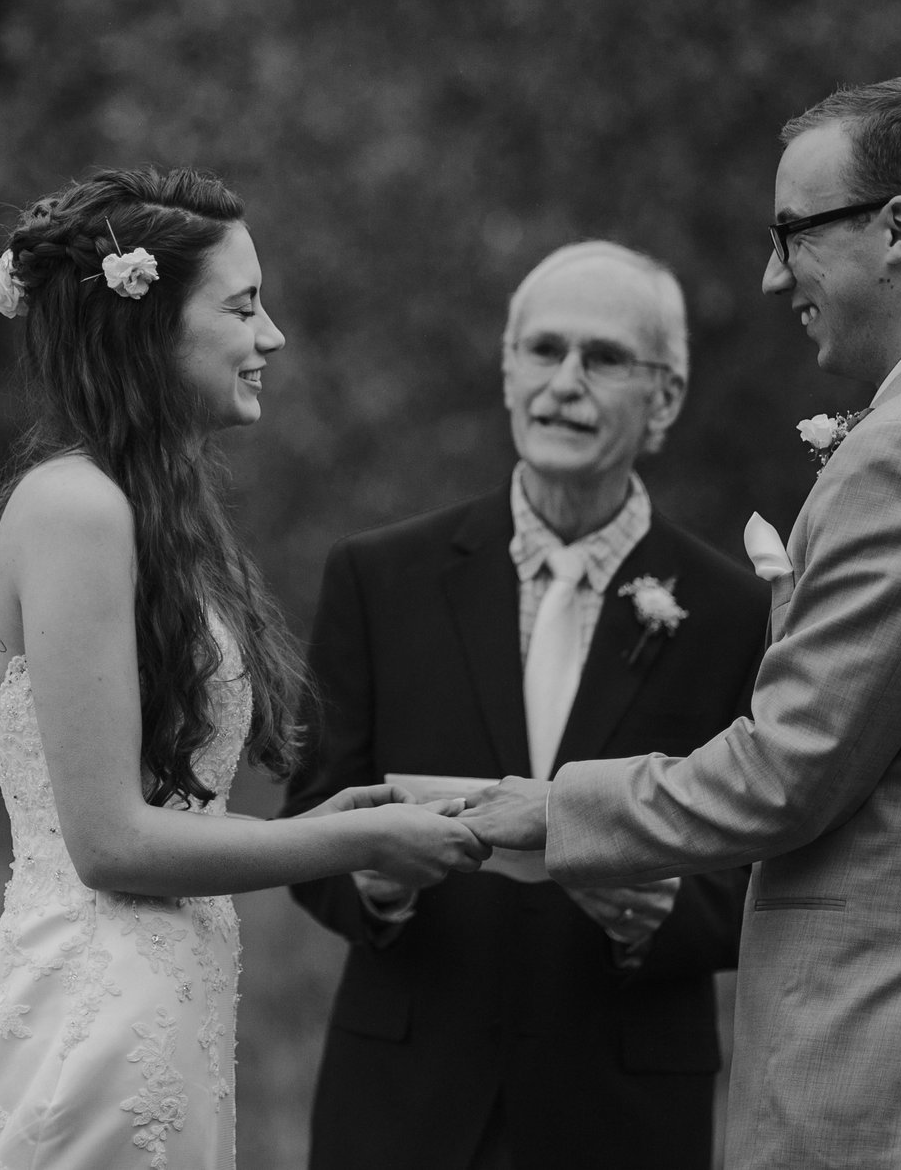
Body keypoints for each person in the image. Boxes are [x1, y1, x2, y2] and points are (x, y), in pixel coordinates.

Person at [464, 79, 901, 1170]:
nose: (773, 273)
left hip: (889, 1075)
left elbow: (787, 768)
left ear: (896, 228)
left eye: (793, 232)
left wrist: (550, 804)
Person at [0, 167, 487, 1170]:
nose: (273, 337)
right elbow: (111, 844)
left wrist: (339, 819)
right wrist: (348, 841)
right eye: (243, 306)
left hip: (159, 1007)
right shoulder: (76, 509)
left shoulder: (150, 515)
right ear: (147, 325)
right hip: (89, 1018)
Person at [281, 241, 769, 1170]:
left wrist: (667, 911)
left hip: (622, 1108)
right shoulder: (378, 577)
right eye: (543, 351)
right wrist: (369, 881)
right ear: (507, 372)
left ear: (663, 398)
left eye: (606, 358)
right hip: (402, 1100)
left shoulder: (737, 612)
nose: (565, 384)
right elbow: (307, 823)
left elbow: (770, 862)